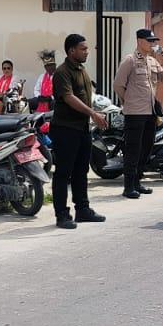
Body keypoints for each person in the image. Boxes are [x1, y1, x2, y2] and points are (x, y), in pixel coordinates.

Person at [50, 34, 108, 230]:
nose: (87, 51)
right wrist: (92, 113)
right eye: (83, 48)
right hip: (65, 129)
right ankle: (62, 215)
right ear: (71, 51)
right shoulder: (62, 72)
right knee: (63, 173)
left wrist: (95, 112)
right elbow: (68, 97)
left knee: (81, 171)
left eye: (87, 48)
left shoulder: (81, 70)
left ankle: (82, 209)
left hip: (82, 128)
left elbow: (85, 96)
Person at [112, 28, 163, 199]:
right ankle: (128, 186)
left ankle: (137, 182)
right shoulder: (130, 60)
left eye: (154, 41)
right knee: (133, 149)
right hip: (135, 113)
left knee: (146, 149)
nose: (153, 44)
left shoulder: (152, 62)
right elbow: (118, 84)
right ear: (140, 41)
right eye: (150, 41)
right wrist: (128, 101)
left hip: (150, 112)